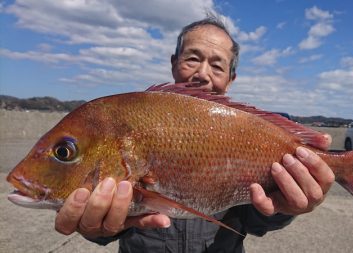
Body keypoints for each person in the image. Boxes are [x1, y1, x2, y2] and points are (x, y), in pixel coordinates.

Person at [54, 16, 335, 252]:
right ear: (174, 62)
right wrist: (94, 225)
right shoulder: (134, 118)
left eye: (217, 65)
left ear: (230, 78)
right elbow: (107, 228)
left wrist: (287, 206)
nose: (202, 73)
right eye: (193, 58)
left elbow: (255, 221)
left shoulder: (244, 129)